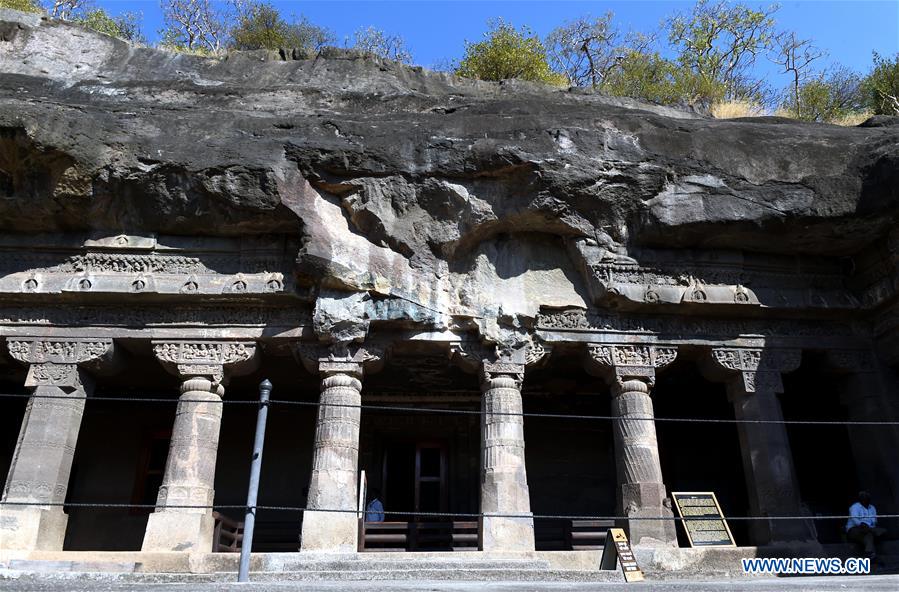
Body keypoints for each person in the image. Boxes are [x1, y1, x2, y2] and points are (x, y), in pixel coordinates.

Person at [846, 491, 886, 560]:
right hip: (855, 529)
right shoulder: (855, 507)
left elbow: (875, 521)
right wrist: (864, 525)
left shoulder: (872, 508)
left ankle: (869, 553)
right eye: (863, 496)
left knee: (870, 535)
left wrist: (869, 528)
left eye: (867, 496)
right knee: (873, 533)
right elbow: (856, 521)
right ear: (860, 498)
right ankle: (871, 553)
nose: (865, 498)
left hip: (868, 530)